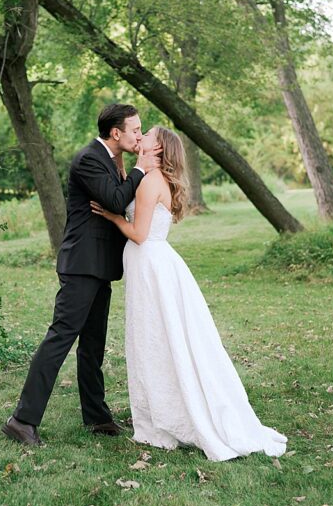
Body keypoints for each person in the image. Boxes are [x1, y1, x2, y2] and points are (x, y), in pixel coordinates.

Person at [90, 126, 287, 461]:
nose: (143, 136)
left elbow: (138, 234)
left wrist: (111, 216)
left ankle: (170, 416)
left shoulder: (152, 182)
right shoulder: (145, 177)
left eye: (147, 134)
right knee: (151, 340)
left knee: (158, 340)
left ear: (159, 147)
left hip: (153, 268)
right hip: (148, 269)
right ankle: (158, 413)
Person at [2, 103, 159, 447]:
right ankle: (23, 420)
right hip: (81, 266)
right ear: (115, 132)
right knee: (60, 337)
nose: (139, 135)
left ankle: (97, 417)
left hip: (100, 266)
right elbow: (116, 201)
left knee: (93, 346)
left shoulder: (112, 161)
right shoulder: (89, 158)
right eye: (135, 129)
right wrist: (141, 170)